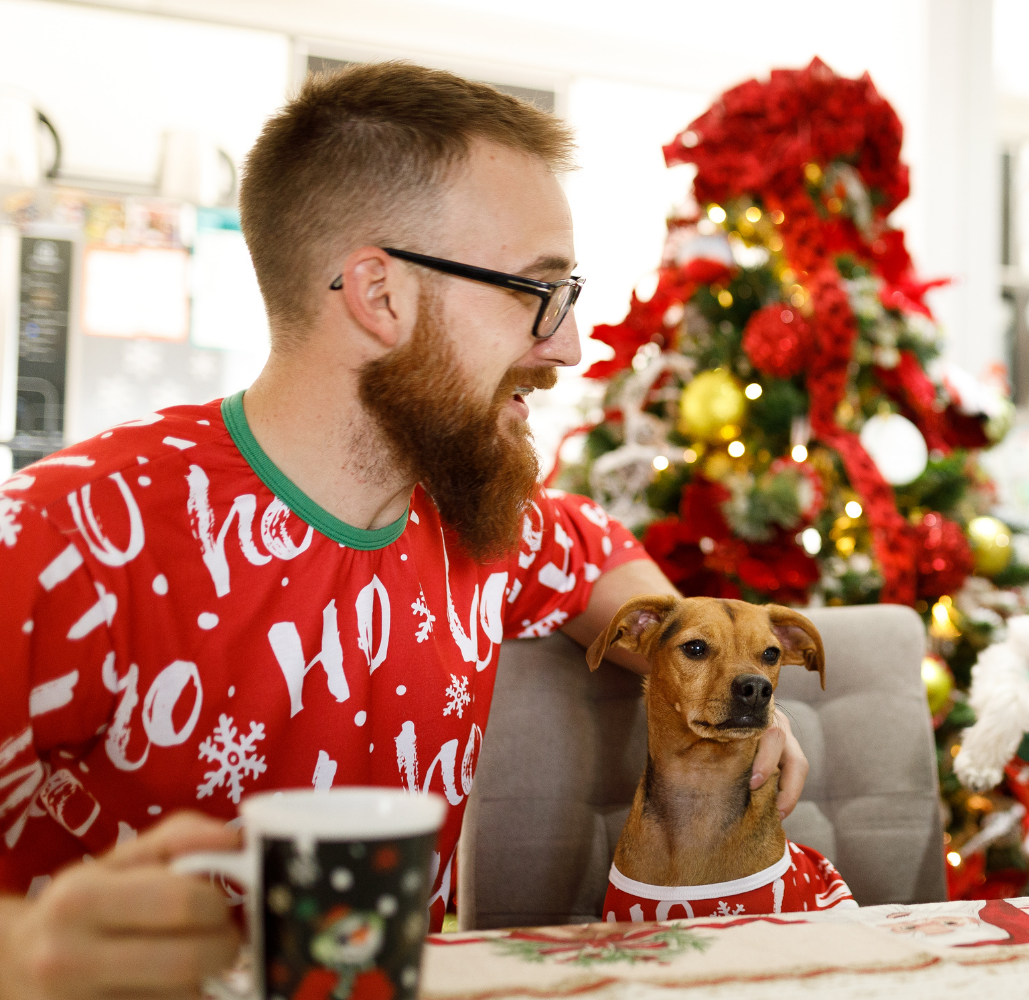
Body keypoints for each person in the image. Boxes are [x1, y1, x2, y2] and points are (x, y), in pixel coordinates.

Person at [0, 62, 807, 998]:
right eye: (535, 291)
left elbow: (598, 559)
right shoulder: (66, 535)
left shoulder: (481, 518)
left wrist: (713, 674)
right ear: (380, 295)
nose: (569, 344)